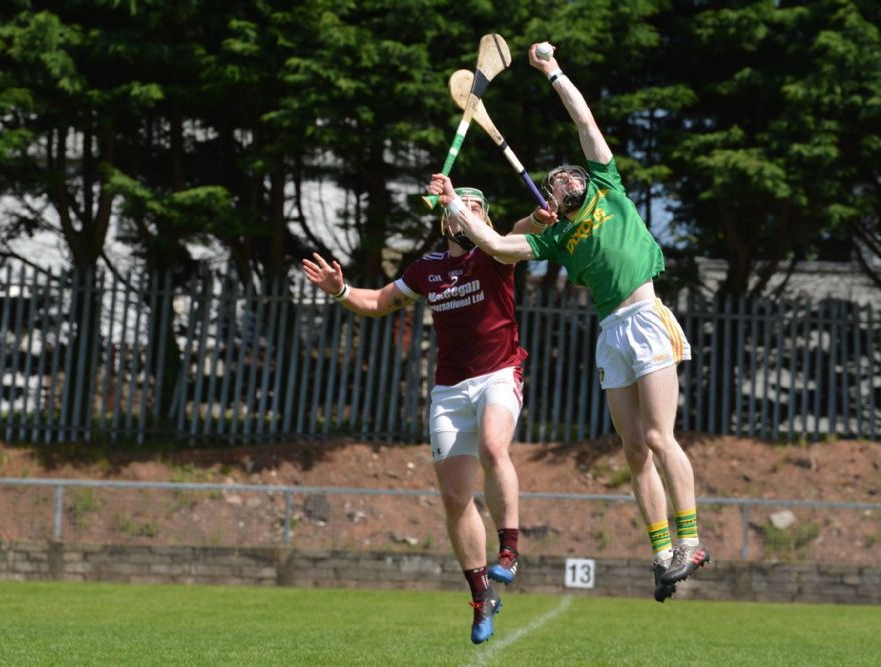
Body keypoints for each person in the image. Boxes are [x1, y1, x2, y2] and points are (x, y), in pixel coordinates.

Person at [426, 40, 710, 604]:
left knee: (659, 436)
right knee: (633, 449)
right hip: (611, 332)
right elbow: (496, 245)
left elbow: (583, 119)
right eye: (556, 180)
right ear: (554, 199)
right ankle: (661, 555)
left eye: (568, 174)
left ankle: (691, 542)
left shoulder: (608, 186)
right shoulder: (554, 236)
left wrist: (552, 69)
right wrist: (453, 204)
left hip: (646, 316)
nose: (564, 178)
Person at [302, 188, 541, 643]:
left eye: (475, 208)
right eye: (459, 208)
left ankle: (509, 551)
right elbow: (378, 302)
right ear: (444, 221)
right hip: (449, 390)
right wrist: (340, 291)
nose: (465, 214)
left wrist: (540, 218)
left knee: (494, 446)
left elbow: (522, 229)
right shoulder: (427, 269)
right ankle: (482, 596)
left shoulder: (494, 253)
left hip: (498, 374)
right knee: (455, 498)